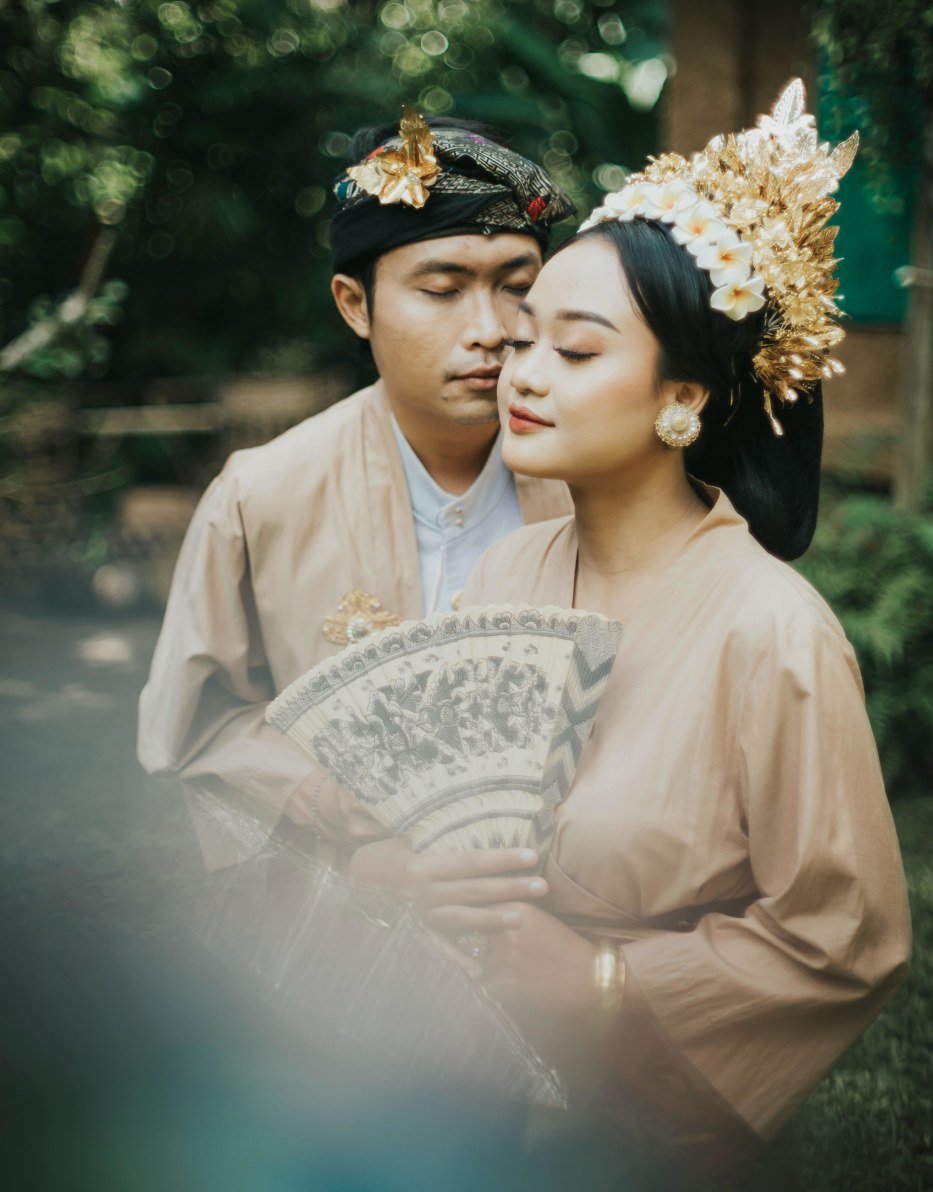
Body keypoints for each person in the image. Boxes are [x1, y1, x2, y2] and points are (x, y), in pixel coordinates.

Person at [344, 83, 911, 1179]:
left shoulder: (770, 632)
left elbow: (845, 937)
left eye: (576, 351)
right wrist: (406, 868)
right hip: (461, 1098)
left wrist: (608, 983)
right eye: (524, 341)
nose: (521, 374)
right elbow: (429, 822)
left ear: (682, 396)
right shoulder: (509, 573)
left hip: (651, 1129)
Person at [138, 108, 574, 869]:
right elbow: (197, 719)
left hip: (565, 899)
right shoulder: (262, 497)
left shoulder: (597, 481)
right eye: (441, 289)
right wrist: (318, 796)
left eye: (517, 288)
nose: (490, 329)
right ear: (354, 304)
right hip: (353, 907)